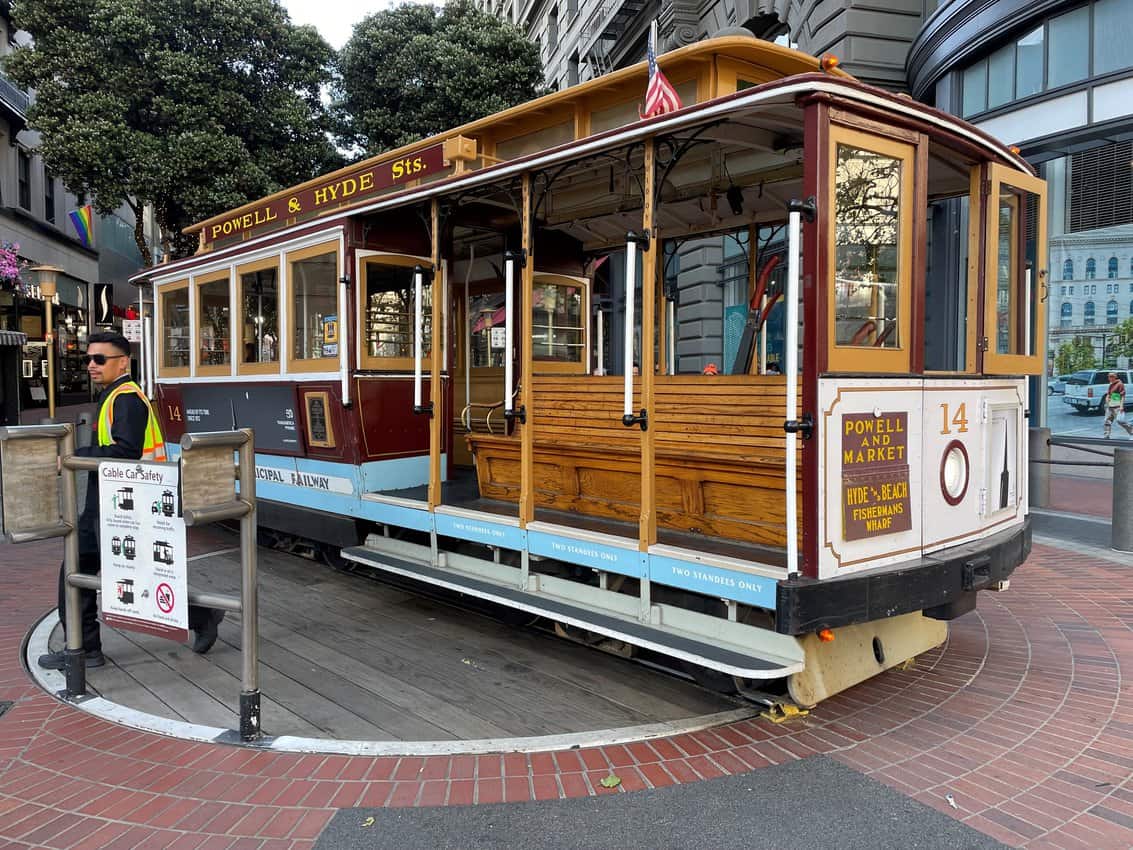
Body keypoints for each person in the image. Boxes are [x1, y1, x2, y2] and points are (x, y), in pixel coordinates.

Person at [38, 332, 224, 670]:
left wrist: (75, 455)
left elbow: (126, 451)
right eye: (88, 359)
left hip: (122, 506)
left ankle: (85, 650)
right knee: (123, 573)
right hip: (117, 504)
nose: (91, 366)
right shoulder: (117, 396)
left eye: (99, 359)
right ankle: (200, 616)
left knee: (83, 571)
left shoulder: (126, 398)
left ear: (122, 362)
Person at [1103, 371, 1133, 439]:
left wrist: (1121, 406)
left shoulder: (1120, 384)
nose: (1109, 377)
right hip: (1110, 405)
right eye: (1108, 376)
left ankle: (1132, 431)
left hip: (1116, 405)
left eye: (1111, 376)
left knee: (1120, 421)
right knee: (1107, 421)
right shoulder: (1111, 384)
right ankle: (1106, 435)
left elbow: (1122, 396)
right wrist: (1107, 401)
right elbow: (1108, 394)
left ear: (1115, 377)